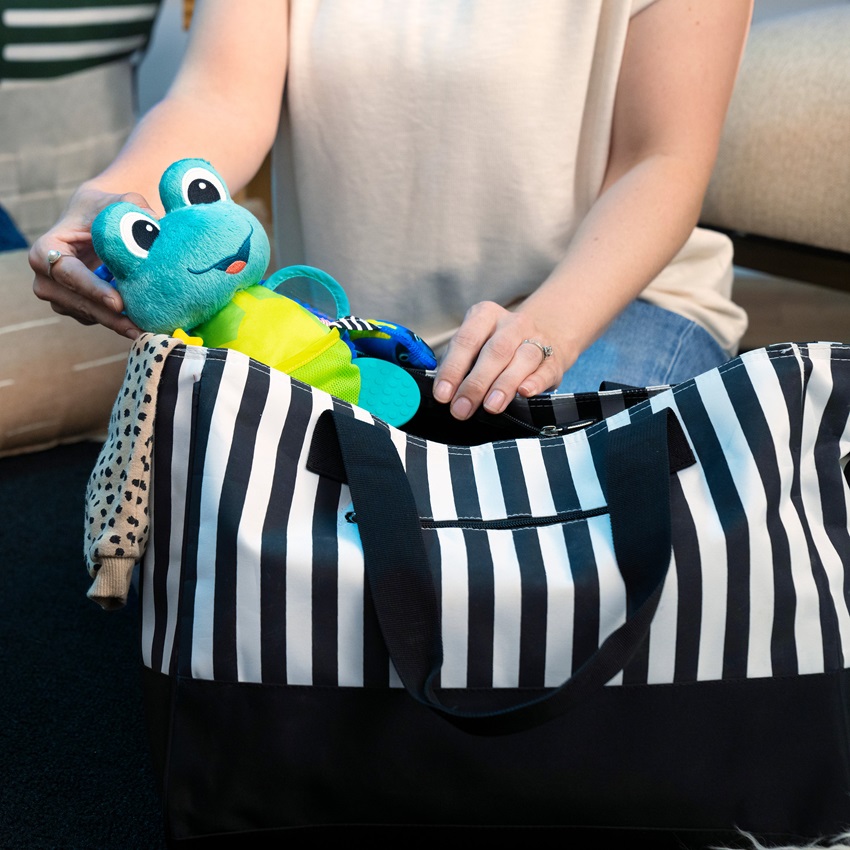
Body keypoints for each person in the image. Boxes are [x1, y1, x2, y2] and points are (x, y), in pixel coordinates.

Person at [30, 0, 751, 420]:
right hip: (340, 335)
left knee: (527, 533)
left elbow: (661, 160)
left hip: (606, 304)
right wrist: (118, 200)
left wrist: (550, 329)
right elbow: (220, 99)